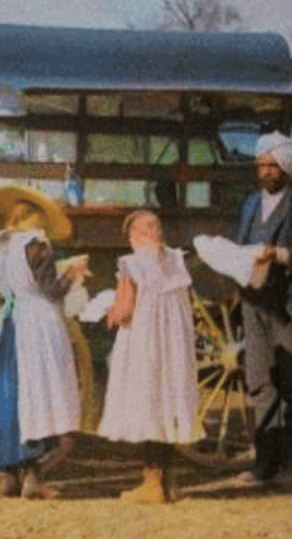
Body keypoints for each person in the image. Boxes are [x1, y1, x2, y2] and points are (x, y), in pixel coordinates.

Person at [232, 132, 292, 488]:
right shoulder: (250, 204)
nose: (265, 171)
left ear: (287, 167)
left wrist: (282, 255)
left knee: (291, 385)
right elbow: (240, 248)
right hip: (254, 303)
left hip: (290, 303)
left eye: (272, 165)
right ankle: (264, 463)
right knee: (260, 383)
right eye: (261, 165)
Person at [0, 186, 87, 499]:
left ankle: (10, 476)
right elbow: (51, 290)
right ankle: (33, 479)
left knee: (10, 393)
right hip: (37, 322)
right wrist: (73, 274)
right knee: (38, 393)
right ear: (36, 216)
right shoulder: (36, 244)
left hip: (11, 321)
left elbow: (18, 282)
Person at [98, 210, 199, 504]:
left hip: (145, 344)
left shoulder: (132, 264)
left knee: (148, 405)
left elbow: (125, 311)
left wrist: (108, 313)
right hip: (173, 346)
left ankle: (152, 483)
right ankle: (169, 482)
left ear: (136, 236)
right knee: (168, 404)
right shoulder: (176, 260)